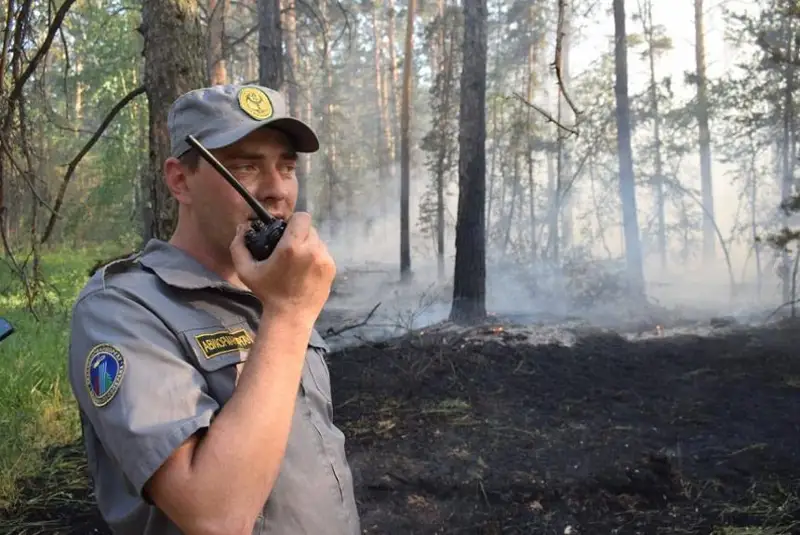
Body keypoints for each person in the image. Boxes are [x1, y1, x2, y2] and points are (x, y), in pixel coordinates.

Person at [67, 83, 361, 535]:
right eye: (246, 166)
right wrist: (288, 314)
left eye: (287, 167)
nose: (277, 191)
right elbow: (215, 516)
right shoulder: (121, 309)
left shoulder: (273, 288)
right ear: (180, 181)